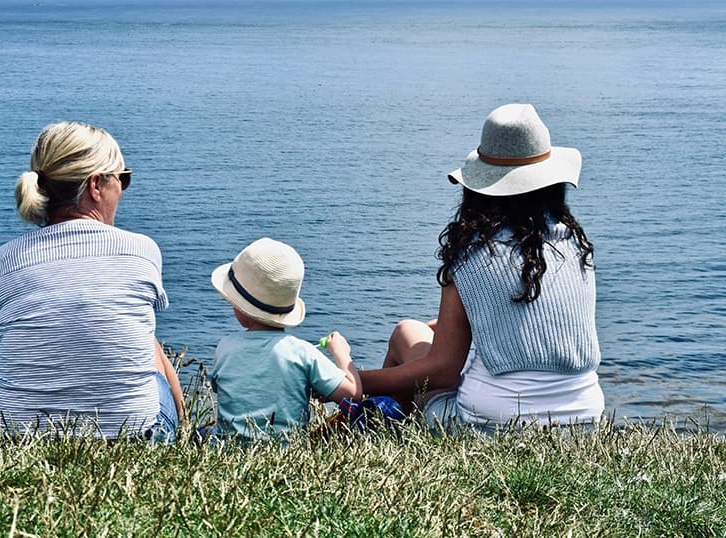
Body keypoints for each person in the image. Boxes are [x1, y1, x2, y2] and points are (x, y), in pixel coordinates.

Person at [359, 104, 604, 433]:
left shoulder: (473, 253)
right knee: (419, 330)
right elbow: (526, 316)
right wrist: (449, 325)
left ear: (480, 188)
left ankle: (389, 428)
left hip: (487, 427)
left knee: (406, 332)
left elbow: (444, 370)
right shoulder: (575, 246)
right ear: (552, 183)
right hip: (583, 425)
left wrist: (354, 380)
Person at [0, 121, 184, 440]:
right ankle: (178, 431)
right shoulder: (140, 250)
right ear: (95, 185)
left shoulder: (3, 260)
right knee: (146, 340)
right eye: (123, 178)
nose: (122, 189)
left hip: (14, 436)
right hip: (133, 435)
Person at [208, 238, 362, 442]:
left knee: (203, 432)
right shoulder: (303, 352)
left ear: (241, 308)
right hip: (288, 452)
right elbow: (353, 395)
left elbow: (224, 390)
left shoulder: (224, 348)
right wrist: (341, 353)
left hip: (226, 452)